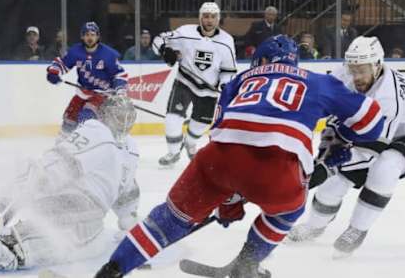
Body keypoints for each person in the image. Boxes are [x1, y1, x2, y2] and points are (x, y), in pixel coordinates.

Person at [94, 35, 385, 278]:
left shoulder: (239, 80)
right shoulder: (319, 81)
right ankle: (247, 265)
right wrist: (340, 140)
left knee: (167, 220)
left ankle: (111, 269)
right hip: (277, 171)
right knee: (287, 212)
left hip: (216, 160)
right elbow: (373, 123)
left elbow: (221, 134)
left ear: (260, 61)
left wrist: (227, 197)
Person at [0, 95, 140, 270]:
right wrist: (26, 188)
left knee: (90, 242)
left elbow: (126, 190)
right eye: (119, 116)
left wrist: (128, 222)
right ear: (105, 115)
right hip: (74, 199)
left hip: (85, 207)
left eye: (127, 118)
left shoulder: (130, 150)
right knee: (75, 234)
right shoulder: (97, 130)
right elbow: (62, 160)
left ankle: (20, 241)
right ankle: (16, 246)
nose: (123, 122)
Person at [288, 36, 405, 258]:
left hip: (399, 135)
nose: (357, 76)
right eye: (353, 69)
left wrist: (329, 165)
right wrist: (324, 157)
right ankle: (315, 226)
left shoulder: (390, 97)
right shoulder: (343, 74)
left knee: (385, 168)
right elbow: (331, 122)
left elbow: (373, 149)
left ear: (377, 65)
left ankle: (357, 229)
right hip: (369, 129)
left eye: (362, 70)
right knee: (332, 185)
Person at [151, 2, 237, 166]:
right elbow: (158, 40)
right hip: (184, 81)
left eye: (213, 17)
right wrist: (164, 50)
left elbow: (228, 70)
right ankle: (173, 152)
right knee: (172, 119)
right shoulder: (185, 32)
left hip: (209, 91)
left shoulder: (226, 41)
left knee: (200, 125)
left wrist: (225, 85)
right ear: (200, 17)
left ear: (218, 19)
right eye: (205, 16)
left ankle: (190, 143)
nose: (209, 20)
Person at [46, 22, 128, 138]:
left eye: (93, 34)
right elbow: (62, 63)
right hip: (82, 93)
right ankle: (62, 145)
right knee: (69, 117)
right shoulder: (76, 51)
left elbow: (120, 74)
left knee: (86, 116)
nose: (90, 37)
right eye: (87, 34)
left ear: (98, 36)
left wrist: (120, 90)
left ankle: (87, 144)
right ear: (82, 37)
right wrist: (54, 72)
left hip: (103, 94)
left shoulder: (108, 54)